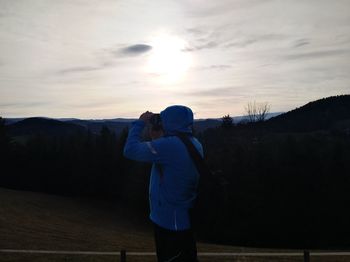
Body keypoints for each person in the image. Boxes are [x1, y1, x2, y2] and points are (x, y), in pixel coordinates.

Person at [123, 105, 203, 262]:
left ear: (171, 122)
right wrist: (159, 139)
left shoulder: (170, 146)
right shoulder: (194, 143)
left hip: (169, 224)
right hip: (184, 219)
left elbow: (130, 150)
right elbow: (171, 166)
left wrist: (140, 123)